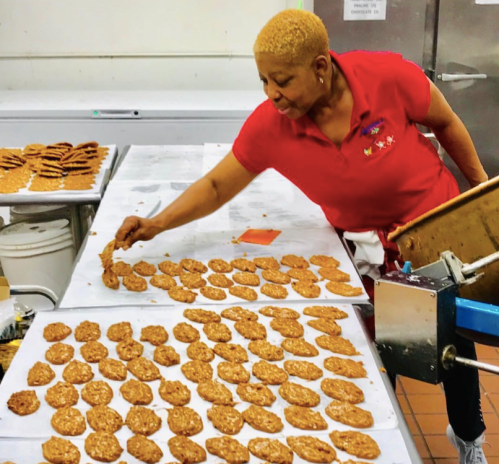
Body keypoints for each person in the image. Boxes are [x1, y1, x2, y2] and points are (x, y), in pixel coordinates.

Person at [116, 9, 489, 463]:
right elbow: (216, 187)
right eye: (263, 82)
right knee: (376, 348)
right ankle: (382, 440)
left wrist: (483, 197)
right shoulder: (271, 126)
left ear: (320, 66)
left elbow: (446, 122)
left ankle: (469, 437)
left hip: (430, 229)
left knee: (450, 338)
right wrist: (155, 225)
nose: (273, 94)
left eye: (282, 81)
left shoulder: (388, 76)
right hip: (364, 251)